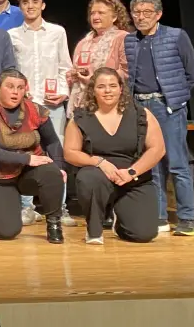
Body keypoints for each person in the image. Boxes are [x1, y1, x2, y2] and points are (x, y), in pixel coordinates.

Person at [125, 0, 194, 235]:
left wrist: (175, 99)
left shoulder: (176, 36)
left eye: (147, 12)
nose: (141, 17)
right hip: (141, 107)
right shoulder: (130, 40)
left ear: (158, 14)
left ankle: (187, 219)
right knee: (152, 163)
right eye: (136, 12)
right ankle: (159, 217)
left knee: (177, 162)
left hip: (167, 106)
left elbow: (192, 74)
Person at [64, 68, 164, 244]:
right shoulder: (80, 118)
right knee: (89, 178)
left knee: (144, 234)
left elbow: (157, 149)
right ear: (93, 90)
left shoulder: (141, 114)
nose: (107, 91)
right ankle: (94, 230)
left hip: (132, 178)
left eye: (112, 86)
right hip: (98, 175)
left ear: (121, 88)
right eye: (101, 86)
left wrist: (132, 172)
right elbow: (70, 153)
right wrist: (99, 162)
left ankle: (119, 219)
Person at [0, 68, 66, 243]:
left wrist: (59, 166)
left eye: (20, 88)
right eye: (10, 86)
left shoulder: (35, 110)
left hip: (27, 173)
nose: (15, 92)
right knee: (6, 232)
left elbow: (52, 142)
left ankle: (54, 223)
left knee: (52, 173)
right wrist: (27, 158)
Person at [7, 0, 74, 226]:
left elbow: (65, 66)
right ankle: (27, 207)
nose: (30, 6)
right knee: (24, 153)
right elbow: (11, 70)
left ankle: (59, 207)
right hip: (24, 104)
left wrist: (63, 92)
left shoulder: (57, 32)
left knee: (56, 153)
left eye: (35, 2)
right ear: (20, 7)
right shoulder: (12, 35)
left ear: (43, 5)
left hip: (51, 104)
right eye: (25, 3)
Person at [67, 0, 130, 114]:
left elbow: (126, 71)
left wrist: (96, 81)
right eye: (92, 13)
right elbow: (75, 70)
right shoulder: (83, 42)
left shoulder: (122, 38)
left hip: (111, 103)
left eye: (101, 13)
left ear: (114, 17)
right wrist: (74, 75)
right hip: (84, 104)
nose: (95, 17)